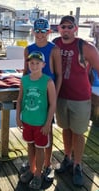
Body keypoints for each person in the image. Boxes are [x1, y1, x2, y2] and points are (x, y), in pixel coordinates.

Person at [54, 15, 99, 187]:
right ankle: (67, 158)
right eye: (63, 26)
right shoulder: (55, 44)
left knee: (78, 132)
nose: (66, 29)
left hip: (80, 98)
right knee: (66, 129)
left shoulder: (86, 47)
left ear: (75, 28)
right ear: (59, 29)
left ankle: (78, 165)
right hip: (61, 96)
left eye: (69, 26)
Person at [22, 18, 62, 181]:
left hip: (47, 96)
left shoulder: (54, 49)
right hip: (32, 96)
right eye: (37, 31)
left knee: (48, 132)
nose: (39, 34)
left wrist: (55, 96)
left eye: (43, 31)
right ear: (33, 31)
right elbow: (25, 73)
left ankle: (47, 165)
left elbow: (58, 75)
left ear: (48, 32)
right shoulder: (28, 49)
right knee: (31, 135)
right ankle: (32, 167)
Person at [16, 51, 56, 189]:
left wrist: (47, 124)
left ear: (43, 65)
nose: (34, 65)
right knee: (30, 146)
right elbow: (20, 100)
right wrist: (18, 117)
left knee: (40, 149)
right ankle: (31, 170)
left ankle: (38, 174)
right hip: (27, 121)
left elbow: (53, 104)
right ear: (28, 64)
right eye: (31, 63)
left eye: (37, 63)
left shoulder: (48, 81)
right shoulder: (24, 80)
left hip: (41, 123)